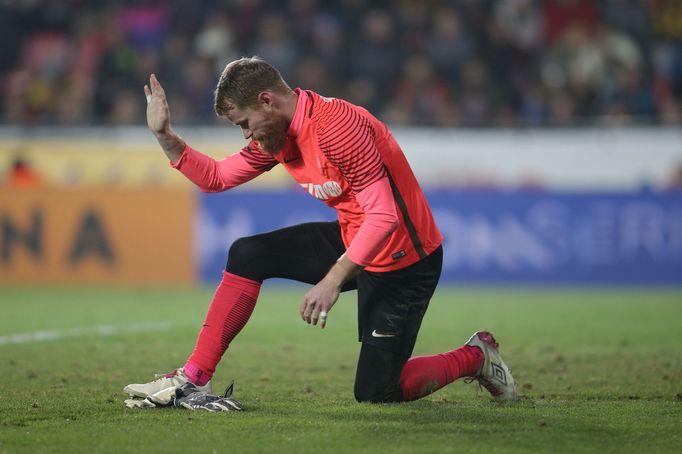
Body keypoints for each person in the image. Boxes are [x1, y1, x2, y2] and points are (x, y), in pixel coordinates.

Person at [124, 57, 517, 404]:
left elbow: (385, 216)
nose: (246, 134)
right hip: (356, 240)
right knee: (248, 253)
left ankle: (476, 356)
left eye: (244, 123)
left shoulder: (336, 128)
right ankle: (194, 379)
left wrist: (331, 280)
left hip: (405, 261)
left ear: (267, 100)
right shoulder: (276, 134)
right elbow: (215, 177)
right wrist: (165, 136)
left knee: (377, 392)